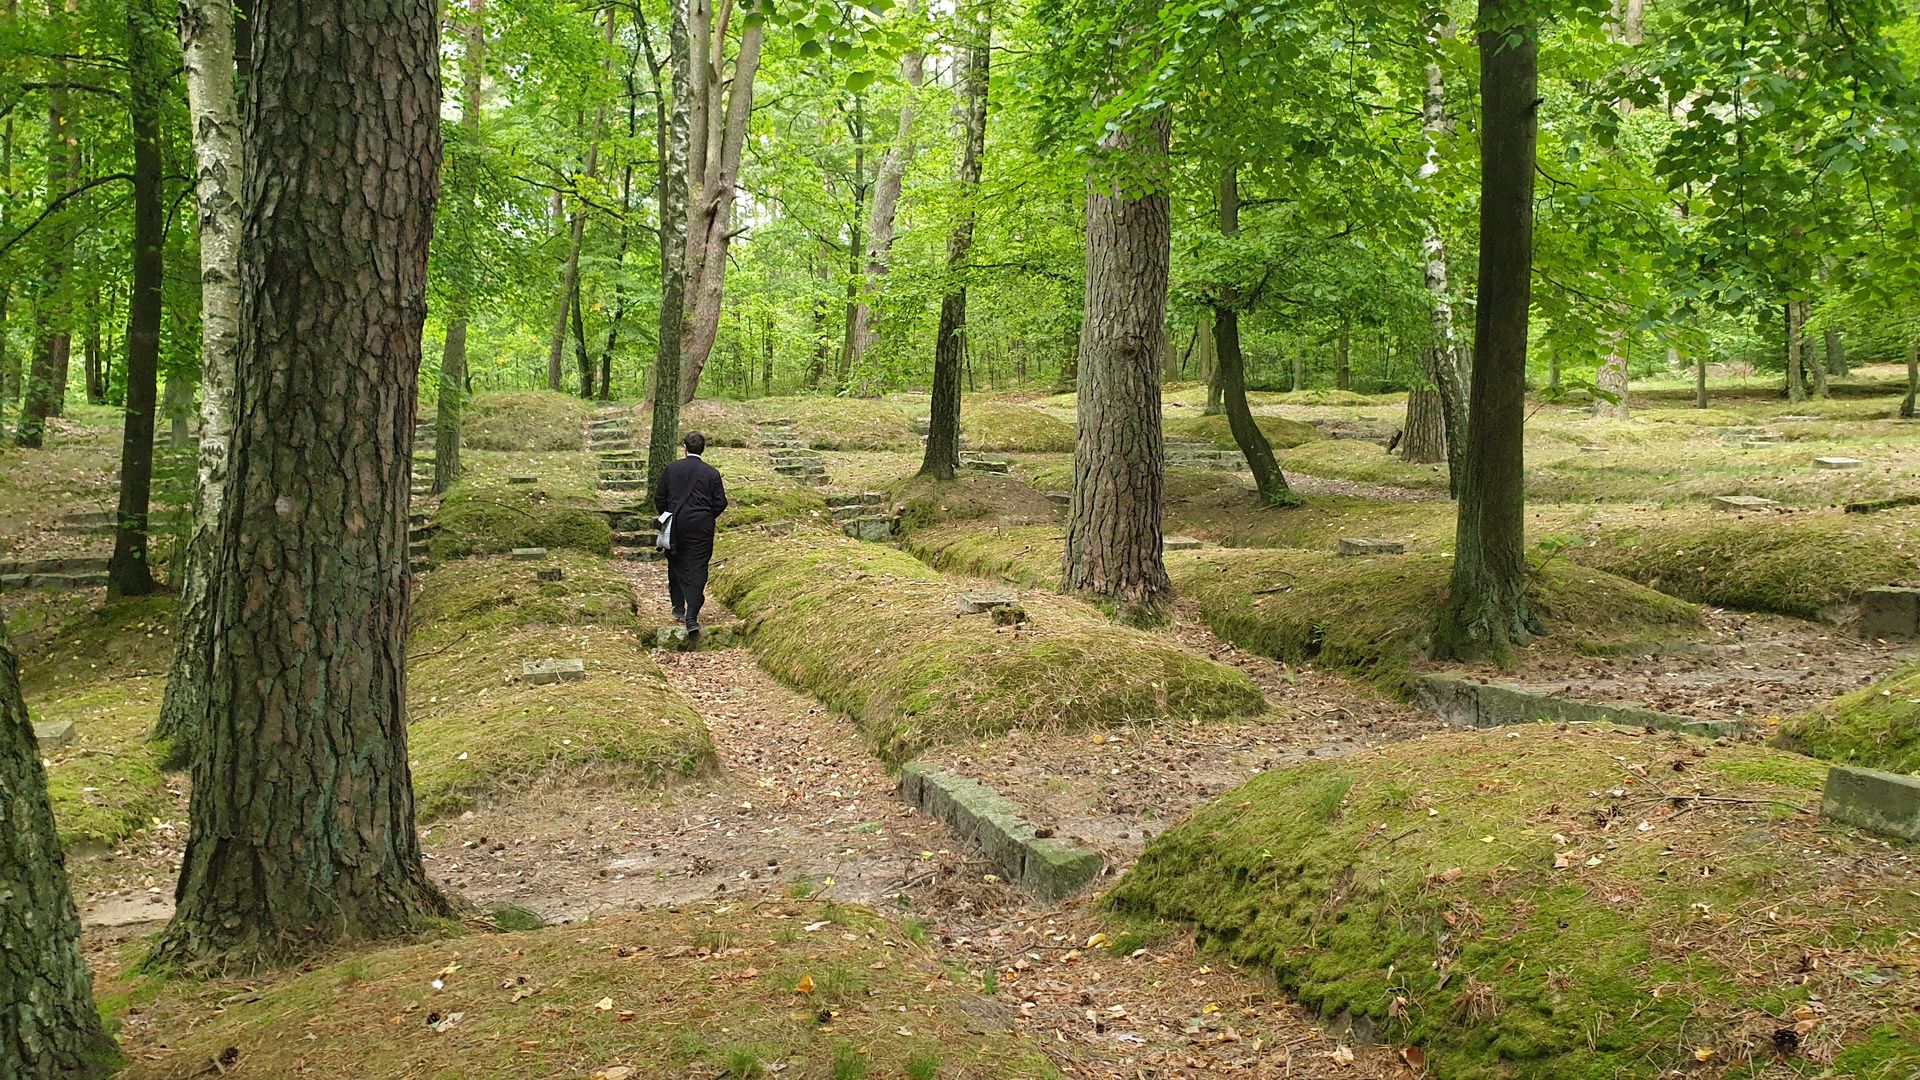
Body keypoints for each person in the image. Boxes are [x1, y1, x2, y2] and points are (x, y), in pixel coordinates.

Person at [652, 430, 728, 634]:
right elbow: (721, 502)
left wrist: (668, 515)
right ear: (703, 449)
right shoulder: (712, 473)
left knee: (675, 561)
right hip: (702, 527)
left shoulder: (672, 469)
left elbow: (659, 498)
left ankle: (678, 606)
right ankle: (692, 615)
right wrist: (706, 515)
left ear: (684, 448)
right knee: (698, 565)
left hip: (676, 524)